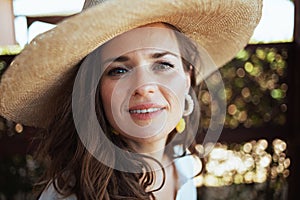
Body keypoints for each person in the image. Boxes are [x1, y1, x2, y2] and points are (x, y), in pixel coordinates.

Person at [0, 0, 262, 199]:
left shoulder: (181, 164)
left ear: (187, 76)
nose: (144, 87)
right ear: (95, 91)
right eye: (119, 70)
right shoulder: (71, 193)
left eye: (162, 64)